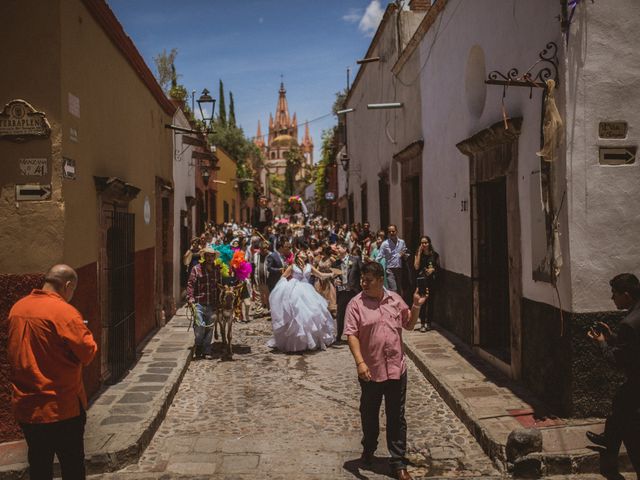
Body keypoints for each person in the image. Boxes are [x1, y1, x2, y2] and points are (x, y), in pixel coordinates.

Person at [7, 264, 98, 480]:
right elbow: (88, 352)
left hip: (27, 406)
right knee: (72, 465)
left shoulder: (17, 309)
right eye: (72, 290)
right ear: (67, 285)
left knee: (39, 465)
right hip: (61, 406)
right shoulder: (64, 312)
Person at [344, 261, 427, 480]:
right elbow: (351, 334)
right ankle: (369, 446)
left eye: (368, 280)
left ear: (380, 280)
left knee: (396, 417)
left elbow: (408, 324)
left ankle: (398, 462)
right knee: (369, 414)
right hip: (371, 370)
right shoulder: (356, 304)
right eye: (362, 279)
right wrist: (360, 363)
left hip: (396, 369)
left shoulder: (395, 300)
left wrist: (416, 306)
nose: (363, 283)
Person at [587, 273, 640, 479]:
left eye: (614, 294)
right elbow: (632, 348)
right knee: (619, 403)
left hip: (637, 386)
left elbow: (617, 360)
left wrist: (602, 342)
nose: (612, 298)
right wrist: (612, 337)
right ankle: (609, 442)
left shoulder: (629, 323)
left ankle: (610, 442)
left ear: (626, 295)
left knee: (633, 438)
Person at [267, 251, 335, 352]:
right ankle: (298, 343)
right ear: (298, 255)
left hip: (308, 292)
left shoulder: (309, 266)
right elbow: (283, 278)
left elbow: (320, 275)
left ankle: (310, 340)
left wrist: (331, 274)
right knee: (297, 315)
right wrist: (285, 287)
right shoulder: (292, 266)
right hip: (295, 291)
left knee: (312, 314)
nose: (305, 253)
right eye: (303, 252)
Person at [186, 246, 221, 359]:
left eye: (212, 256)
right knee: (200, 325)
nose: (210, 258)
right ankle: (199, 345)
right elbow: (190, 284)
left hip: (212, 303)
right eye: (208, 256)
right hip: (199, 302)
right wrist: (190, 298)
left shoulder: (217, 270)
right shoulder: (196, 269)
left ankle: (206, 350)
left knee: (210, 327)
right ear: (204, 256)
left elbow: (219, 286)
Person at [333, 242, 363, 343]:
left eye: (338, 248)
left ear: (345, 249)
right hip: (342, 291)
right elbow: (334, 276)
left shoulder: (355, 259)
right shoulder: (335, 263)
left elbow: (362, 272)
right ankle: (339, 335)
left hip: (354, 290)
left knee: (356, 313)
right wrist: (335, 281)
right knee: (340, 313)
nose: (336, 250)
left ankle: (359, 334)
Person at [413, 235, 440, 332]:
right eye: (422, 243)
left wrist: (433, 270)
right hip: (422, 281)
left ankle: (429, 323)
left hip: (431, 280)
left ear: (429, 243)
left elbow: (438, 267)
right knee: (423, 302)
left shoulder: (435, 255)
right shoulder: (418, 254)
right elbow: (416, 267)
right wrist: (419, 253)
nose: (424, 244)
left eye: (425, 243)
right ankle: (423, 323)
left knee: (431, 302)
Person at [379, 225, 408, 298]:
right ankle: (393, 307)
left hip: (400, 269)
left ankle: (400, 307)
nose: (391, 233)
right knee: (393, 289)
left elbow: (404, 253)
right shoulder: (385, 244)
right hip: (390, 269)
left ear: (396, 231)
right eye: (389, 232)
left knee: (400, 290)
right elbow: (379, 257)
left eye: (393, 231)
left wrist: (405, 255)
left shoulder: (402, 242)